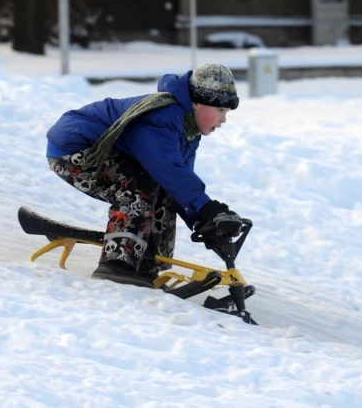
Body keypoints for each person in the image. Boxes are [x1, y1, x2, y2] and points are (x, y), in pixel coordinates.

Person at [45, 63, 244, 288]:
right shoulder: (162, 116)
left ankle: (146, 263)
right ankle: (117, 263)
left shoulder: (188, 130)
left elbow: (178, 184)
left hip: (105, 152)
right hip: (75, 149)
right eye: (220, 110)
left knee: (164, 190)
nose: (223, 119)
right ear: (197, 102)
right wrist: (207, 208)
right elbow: (168, 169)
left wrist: (202, 220)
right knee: (137, 184)